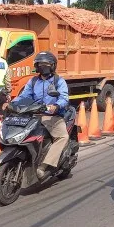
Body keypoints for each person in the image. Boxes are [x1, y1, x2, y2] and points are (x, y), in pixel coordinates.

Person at [12, 51, 70, 179]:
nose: (43, 66)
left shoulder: (58, 81)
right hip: (32, 114)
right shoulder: (32, 81)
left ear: (53, 65)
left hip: (52, 116)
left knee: (62, 137)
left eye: (46, 64)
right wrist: (11, 104)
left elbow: (64, 98)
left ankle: (44, 165)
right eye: (40, 64)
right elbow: (23, 96)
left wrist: (57, 106)